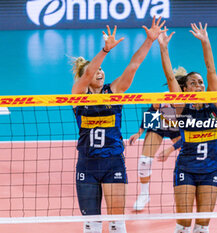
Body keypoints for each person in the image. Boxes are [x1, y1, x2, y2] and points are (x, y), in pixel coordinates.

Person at [71, 18, 166, 233]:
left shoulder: (113, 91)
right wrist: (105, 50)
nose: (100, 72)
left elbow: (133, 66)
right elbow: (86, 73)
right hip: (87, 163)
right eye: (96, 70)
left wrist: (149, 41)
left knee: (116, 222)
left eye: (102, 69)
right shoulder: (77, 95)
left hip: (113, 161)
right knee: (91, 224)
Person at [158, 23, 217, 233]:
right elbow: (169, 77)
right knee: (184, 224)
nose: (199, 86)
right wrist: (163, 48)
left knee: (202, 226)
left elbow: (211, 69)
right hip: (186, 169)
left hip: (211, 170)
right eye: (193, 83)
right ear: (185, 89)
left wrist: (206, 42)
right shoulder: (181, 107)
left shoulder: (215, 104)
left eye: (201, 83)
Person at [129, 103, 181, 211]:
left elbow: (187, 136)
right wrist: (139, 132)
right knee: (144, 161)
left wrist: (171, 149)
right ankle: (144, 195)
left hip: (177, 128)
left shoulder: (190, 101)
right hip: (158, 125)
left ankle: (186, 190)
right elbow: (150, 111)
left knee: (188, 158)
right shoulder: (164, 98)